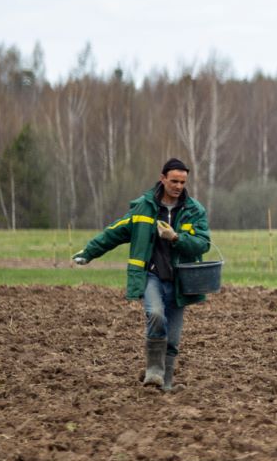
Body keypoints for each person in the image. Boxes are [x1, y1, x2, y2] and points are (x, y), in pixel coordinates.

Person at [73, 157, 213, 392]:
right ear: (163, 179)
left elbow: (203, 243)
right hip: (151, 276)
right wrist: (89, 252)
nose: (178, 187)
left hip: (181, 282)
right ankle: (154, 372)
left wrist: (177, 238)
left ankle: (166, 383)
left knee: (174, 338)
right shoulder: (144, 207)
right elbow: (115, 232)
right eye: (174, 181)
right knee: (156, 315)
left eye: (182, 182)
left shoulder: (194, 211)